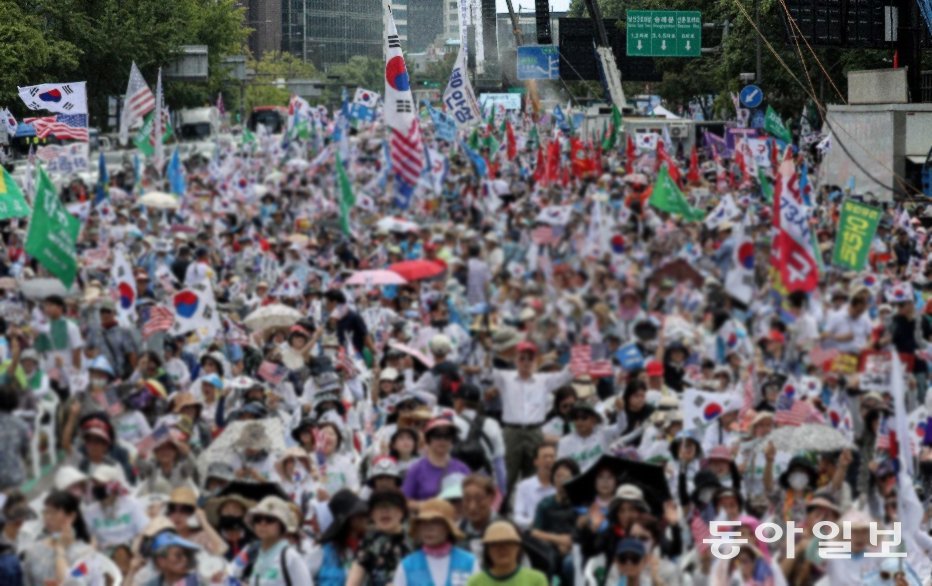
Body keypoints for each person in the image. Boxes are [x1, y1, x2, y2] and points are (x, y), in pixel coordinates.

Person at [490, 341, 573, 496]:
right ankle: (502, 510)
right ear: (516, 360)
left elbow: (566, 375)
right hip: (511, 431)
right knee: (507, 474)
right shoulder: (505, 378)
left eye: (530, 358)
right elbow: (487, 372)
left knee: (534, 473)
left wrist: (577, 354)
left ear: (535, 361)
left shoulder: (543, 380)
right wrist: (489, 351)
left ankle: (532, 510)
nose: (526, 362)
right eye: (522, 358)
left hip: (534, 430)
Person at [228, 496, 311, 586]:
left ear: (282, 525)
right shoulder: (254, 551)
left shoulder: (290, 557)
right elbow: (230, 572)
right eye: (258, 519)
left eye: (270, 519)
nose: (262, 523)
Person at [393, 498, 478, 586]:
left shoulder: (469, 562)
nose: (428, 529)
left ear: (448, 528)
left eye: (436, 522)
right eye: (423, 523)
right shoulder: (407, 566)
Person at [21, 491, 96, 586]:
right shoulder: (34, 549)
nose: (47, 517)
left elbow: (71, 584)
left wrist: (60, 549)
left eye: (53, 512)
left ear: (71, 516)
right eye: (45, 512)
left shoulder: (85, 554)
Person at [346, 489, 411, 586]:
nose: (384, 511)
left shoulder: (414, 539)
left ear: (401, 512)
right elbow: (353, 581)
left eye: (390, 507)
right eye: (378, 507)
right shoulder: (369, 542)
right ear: (372, 515)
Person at [402, 417, 471, 507]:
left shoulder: (462, 468)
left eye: (447, 436)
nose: (442, 441)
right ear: (429, 439)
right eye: (437, 436)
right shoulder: (416, 469)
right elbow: (404, 502)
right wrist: (430, 505)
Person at [467, 520, 547, 586]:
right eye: (495, 544)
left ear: (518, 547)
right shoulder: (475, 582)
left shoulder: (536, 579)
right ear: (488, 550)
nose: (502, 549)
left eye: (508, 543)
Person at [512, 442, 557, 531]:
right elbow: (517, 516)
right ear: (536, 462)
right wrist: (535, 522)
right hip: (532, 532)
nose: (549, 460)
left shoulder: (562, 485)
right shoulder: (524, 486)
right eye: (545, 457)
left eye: (552, 457)